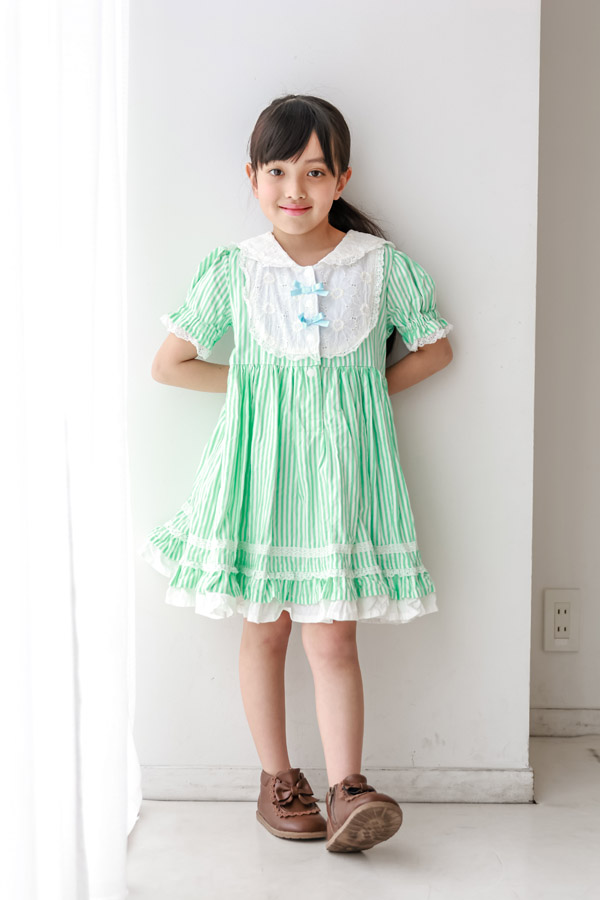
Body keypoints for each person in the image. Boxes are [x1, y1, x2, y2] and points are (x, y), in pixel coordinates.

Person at [138, 94, 454, 852]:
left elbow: (435, 349)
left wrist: (362, 391)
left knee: (334, 638)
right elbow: (171, 364)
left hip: (342, 480)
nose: (295, 189)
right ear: (251, 177)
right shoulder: (236, 269)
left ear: (342, 178)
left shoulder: (379, 266)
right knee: (266, 629)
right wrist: (257, 388)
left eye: (314, 172)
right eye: (278, 171)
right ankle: (278, 781)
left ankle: (349, 790)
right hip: (259, 474)